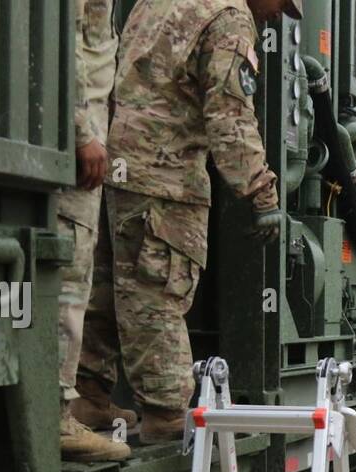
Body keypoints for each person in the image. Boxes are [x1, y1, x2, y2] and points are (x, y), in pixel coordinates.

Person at [76, 0, 300, 445]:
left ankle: (88, 396)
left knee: (105, 285)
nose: (279, 15)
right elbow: (230, 114)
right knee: (159, 289)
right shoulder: (230, 17)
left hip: (115, 163)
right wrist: (261, 190)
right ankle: (166, 414)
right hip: (166, 176)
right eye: (282, 3)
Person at [58, 0, 130, 463]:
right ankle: (57, 416)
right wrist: (84, 131)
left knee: (81, 268)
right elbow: (62, 39)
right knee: (69, 270)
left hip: (87, 129)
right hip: (75, 136)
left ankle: (72, 405)